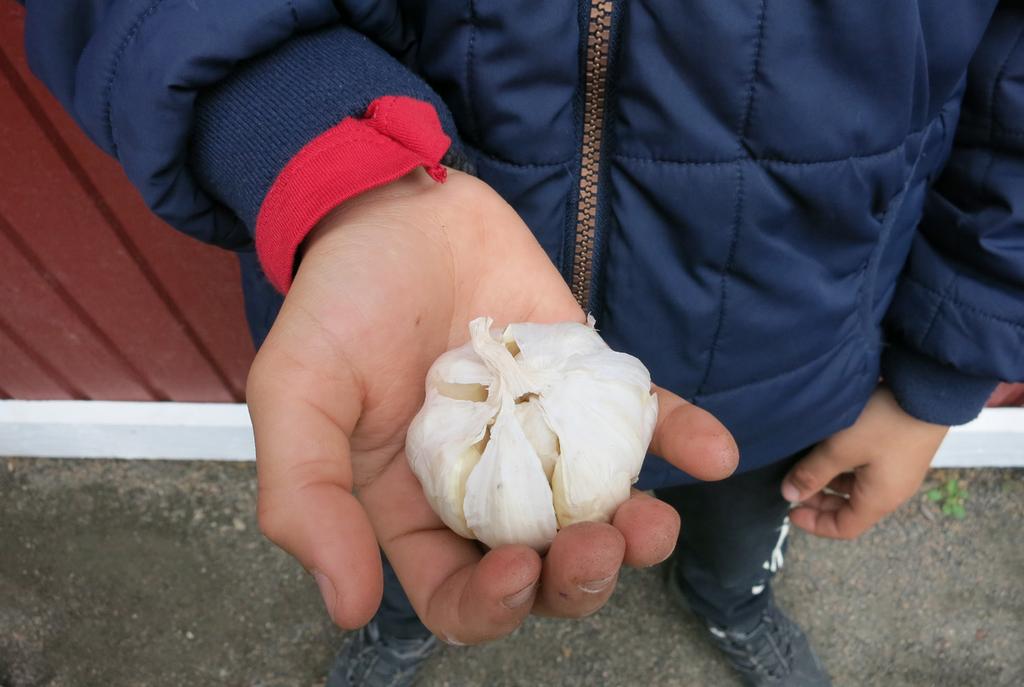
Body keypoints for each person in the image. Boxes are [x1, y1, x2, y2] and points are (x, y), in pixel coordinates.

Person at [19, 1, 1023, 685]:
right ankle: (399, 617)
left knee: (738, 506)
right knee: (409, 508)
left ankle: (731, 597)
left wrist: (942, 370)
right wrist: (305, 128)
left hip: (795, 356)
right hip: (400, 309)